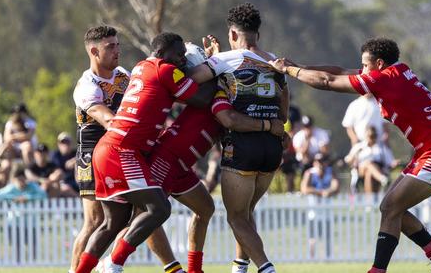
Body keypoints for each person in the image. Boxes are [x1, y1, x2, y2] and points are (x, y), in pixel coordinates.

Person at [269, 37, 431, 273]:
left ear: (380, 64)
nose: (361, 70)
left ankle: (378, 270)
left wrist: (290, 71)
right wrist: (300, 66)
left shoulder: (384, 79)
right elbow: (342, 71)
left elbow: (328, 80)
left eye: (365, 65)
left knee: (392, 207)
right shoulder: (397, 72)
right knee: (390, 208)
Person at [121, 43, 283, 273]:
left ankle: (195, 269)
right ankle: (150, 266)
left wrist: (215, 60)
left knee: (205, 209)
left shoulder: (212, 90)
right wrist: (269, 126)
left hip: (182, 166)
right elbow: (228, 118)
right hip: (166, 160)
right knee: (146, 214)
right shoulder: (210, 94)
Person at [76, 32, 217, 273]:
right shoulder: (164, 69)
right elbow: (202, 99)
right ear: (162, 54)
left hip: (110, 148)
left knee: (113, 223)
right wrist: (216, 66)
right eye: (178, 54)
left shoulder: (140, 67)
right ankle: (113, 264)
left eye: (185, 56)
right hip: (122, 150)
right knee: (158, 209)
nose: (182, 60)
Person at [190, 3, 288, 273]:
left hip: (243, 145)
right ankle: (240, 266)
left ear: (233, 34)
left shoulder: (224, 60)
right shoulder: (274, 60)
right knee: (246, 213)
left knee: (235, 216)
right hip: (273, 148)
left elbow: (190, 80)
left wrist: (210, 60)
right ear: (258, 33)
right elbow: (284, 106)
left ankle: (266, 268)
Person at [69, 25, 131, 273]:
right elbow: (108, 121)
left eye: (118, 45)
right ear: (94, 51)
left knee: (133, 214)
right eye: (110, 46)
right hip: (91, 154)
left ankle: (109, 264)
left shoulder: (123, 75)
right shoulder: (87, 85)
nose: (117, 51)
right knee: (95, 221)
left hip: (119, 151)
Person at [345, 126, 396, 194]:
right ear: (365, 135)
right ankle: (383, 179)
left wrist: (394, 163)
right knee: (368, 163)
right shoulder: (359, 147)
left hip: (378, 170)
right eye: (369, 136)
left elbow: (390, 162)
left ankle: (370, 201)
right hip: (360, 171)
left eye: (373, 136)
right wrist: (353, 156)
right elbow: (347, 160)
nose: (371, 138)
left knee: (369, 172)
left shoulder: (382, 148)